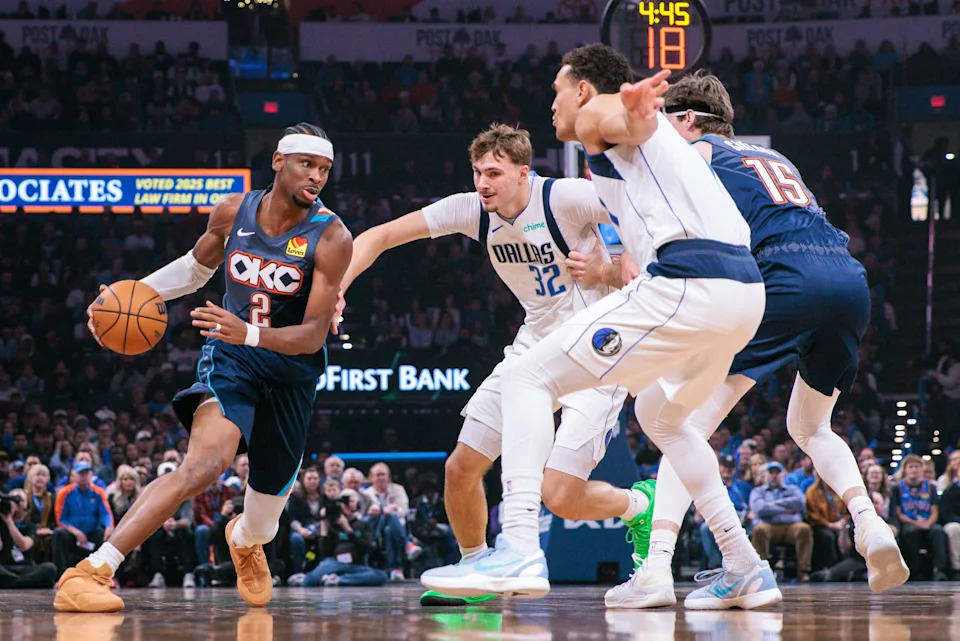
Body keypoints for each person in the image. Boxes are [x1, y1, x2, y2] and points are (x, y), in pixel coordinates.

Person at [423, 44, 774, 610]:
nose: (553, 106)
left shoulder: (596, 115)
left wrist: (631, 113)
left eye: (558, 91)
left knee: (527, 378)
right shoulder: (638, 148)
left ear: (582, 88)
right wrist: (639, 121)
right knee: (662, 416)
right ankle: (743, 563)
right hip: (743, 293)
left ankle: (516, 545)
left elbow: (610, 118)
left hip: (688, 278)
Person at [605, 70, 908, 608]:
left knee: (680, 422)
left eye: (665, 123)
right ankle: (869, 522)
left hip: (787, 282)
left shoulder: (696, 153)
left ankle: (655, 569)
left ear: (689, 121)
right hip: (846, 280)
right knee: (808, 425)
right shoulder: (776, 159)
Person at [337, 122, 646, 607]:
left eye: (494, 173)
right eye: (478, 171)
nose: (483, 182)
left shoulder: (564, 197)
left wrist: (612, 265)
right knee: (461, 467)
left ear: (523, 173)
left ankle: (637, 506)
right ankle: (476, 567)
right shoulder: (471, 209)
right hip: (535, 346)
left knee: (559, 494)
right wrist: (339, 288)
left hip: (597, 351)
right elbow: (379, 236)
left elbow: (639, 211)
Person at [53, 122, 352, 612]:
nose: (316, 177)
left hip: (292, 373)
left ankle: (244, 538)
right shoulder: (234, 211)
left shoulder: (333, 236)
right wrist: (133, 294)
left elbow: (314, 334)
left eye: (324, 169)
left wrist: (250, 331)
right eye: (307, 164)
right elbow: (195, 269)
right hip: (232, 360)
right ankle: (92, 570)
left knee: (265, 519)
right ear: (279, 161)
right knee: (204, 464)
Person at [290, 489, 386, 587]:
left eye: (351, 501)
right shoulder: (333, 524)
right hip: (334, 563)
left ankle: (338, 579)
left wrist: (348, 530)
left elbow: (366, 548)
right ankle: (309, 577)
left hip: (356, 565)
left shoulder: (364, 525)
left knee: (381, 576)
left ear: (357, 504)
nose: (347, 505)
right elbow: (324, 552)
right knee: (308, 583)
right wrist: (323, 521)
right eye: (345, 502)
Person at [890, 454, 948, 581]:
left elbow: (935, 511)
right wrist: (916, 523)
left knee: (938, 531)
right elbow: (898, 513)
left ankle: (939, 570)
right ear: (905, 469)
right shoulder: (897, 488)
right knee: (910, 532)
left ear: (922, 469)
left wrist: (928, 523)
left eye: (917, 466)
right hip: (909, 522)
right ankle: (913, 571)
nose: (914, 469)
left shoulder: (930, 486)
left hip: (927, 522)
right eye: (911, 467)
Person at [0, 489, 58, 589]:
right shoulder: (1, 522)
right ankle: (24, 583)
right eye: (14, 500)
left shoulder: (31, 526)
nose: (18, 504)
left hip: (26, 568)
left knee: (50, 568)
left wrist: (10, 522)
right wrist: (6, 519)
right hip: (6, 567)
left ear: (27, 504)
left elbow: (24, 546)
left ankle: (14, 583)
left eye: (21, 500)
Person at [287, 467, 323, 576]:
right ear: (303, 480)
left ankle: (319, 571)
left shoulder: (323, 497)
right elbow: (292, 518)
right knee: (296, 538)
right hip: (300, 528)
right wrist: (301, 530)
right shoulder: (295, 497)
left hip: (320, 528)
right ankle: (299, 571)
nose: (313, 481)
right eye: (309, 478)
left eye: (315, 478)